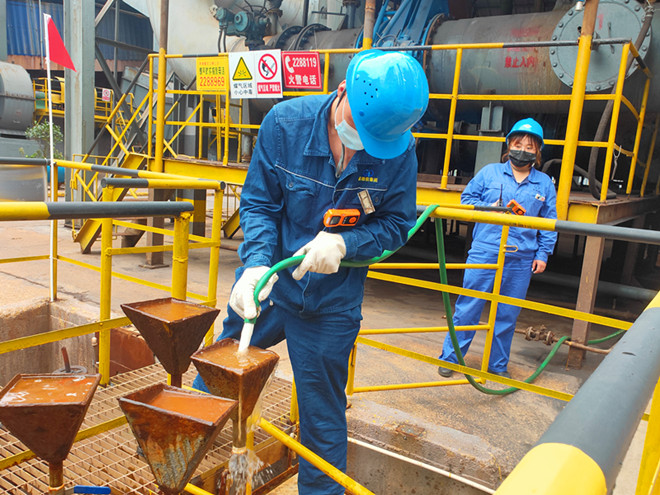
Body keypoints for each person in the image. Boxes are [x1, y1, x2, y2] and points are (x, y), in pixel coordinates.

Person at [192, 49, 429, 494]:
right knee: (218, 370)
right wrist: (256, 265)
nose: (363, 145)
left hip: (331, 303)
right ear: (342, 92)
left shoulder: (398, 152)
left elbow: (396, 224)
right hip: (271, 285)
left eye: (376, 140)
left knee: (321, 417)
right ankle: (178, 449)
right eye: (360, 129)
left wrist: (345, 244)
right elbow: (259, 204)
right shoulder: (285, 124)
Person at [437, 118, 557, 379]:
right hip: (486, 251)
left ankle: (497, 365)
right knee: (468, 307)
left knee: (506, 315)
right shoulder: (489, 173)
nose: (522, 150)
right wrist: (489, 207)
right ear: (509, 145)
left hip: (520, 257)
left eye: (529, 147)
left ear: (537, 151)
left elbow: (549, 222)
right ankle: (451, 358)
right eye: (518, 144)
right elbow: (466, 200)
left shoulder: (544, 183)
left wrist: (543, 254)